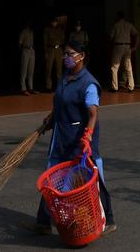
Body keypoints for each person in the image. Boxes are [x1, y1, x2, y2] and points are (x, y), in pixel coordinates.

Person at [32, 41, 116, 236]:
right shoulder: (65, 78)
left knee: (94, 178)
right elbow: (60, 104)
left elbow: (93, 113)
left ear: (82, 56)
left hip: (81, 141)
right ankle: (43, 222)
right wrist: (49, 120)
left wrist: (87, 137)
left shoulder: (89, 83)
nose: (66, 58)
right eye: (65, 54)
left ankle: (109, 218)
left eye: (70, 54)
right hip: (61, 138)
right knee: (51, 180)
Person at [108, 12, 138, 92]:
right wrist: (135, 46)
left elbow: (111, 37)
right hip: (127, 46)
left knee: (114, 67)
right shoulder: (129, 25)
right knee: (128, 67)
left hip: (118, 46)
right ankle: (131, 86)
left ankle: (115, 87)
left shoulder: (116, 25)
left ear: (118, 17)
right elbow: (136, 34)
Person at [43, 17, 66, 91]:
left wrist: (63, 52)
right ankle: (48, 86)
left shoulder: (60, 30)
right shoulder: (47, 29)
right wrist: (45, 52)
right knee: (48, 69)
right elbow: (45, 41)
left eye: (55, 22)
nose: (54, 23)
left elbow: (63, 40)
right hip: (50, 49)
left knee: (59, 70)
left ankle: (59, 86)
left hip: (59, 49)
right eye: (53, 22)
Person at [19, 21, 36, 96]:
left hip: (32, 50)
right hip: (25, 50)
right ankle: (23, 88)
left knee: (31, 70)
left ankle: (31, 88)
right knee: (24, 70)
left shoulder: (32, 32)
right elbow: (20, 42)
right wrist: (22, 51)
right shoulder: (24, 32)